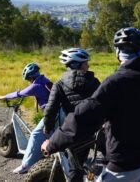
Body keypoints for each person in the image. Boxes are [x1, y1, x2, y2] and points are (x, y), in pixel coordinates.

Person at [42, 27, 140, 182]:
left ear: (118, 53)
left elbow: (84, 117)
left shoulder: (115, 82)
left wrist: (52, 143)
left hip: (123, 166)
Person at [43, 47, 101, 181]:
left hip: (73, 131)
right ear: (77, 64)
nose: (88, 65)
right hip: (96, 131)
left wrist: (47, 127)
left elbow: (50, 110)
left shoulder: (59, 85)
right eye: (86, 62)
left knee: (75, 166)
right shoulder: (95, 82)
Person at [0, 63, 53, 174]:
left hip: (52, 114)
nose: (29, 82)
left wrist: (3, 96)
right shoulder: (44, 80)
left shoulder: (36, 86)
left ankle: (25, 165)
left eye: (28, 80)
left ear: (30, 77)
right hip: (60, 112)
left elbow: (19, 94)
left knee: (35, 135)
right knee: (48, 134)